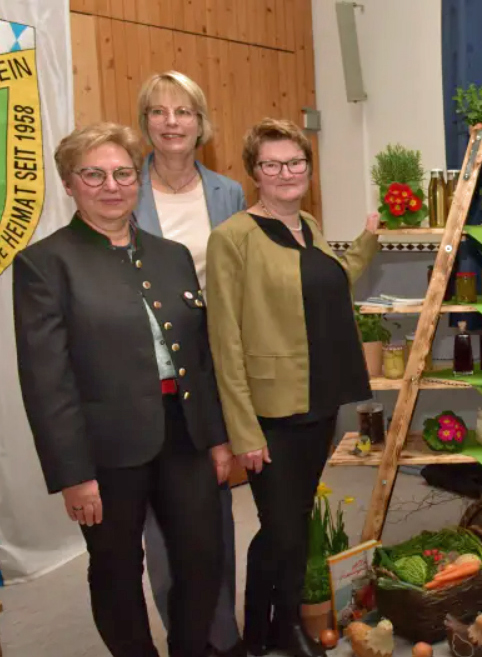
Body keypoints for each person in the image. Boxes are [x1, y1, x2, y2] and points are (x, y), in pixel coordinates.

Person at [13, 123, 228, 657]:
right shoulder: (45, 264)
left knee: (202, 556)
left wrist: (218, 438)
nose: (111, 185)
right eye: (94, 174)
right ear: (70, 183)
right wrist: (73, 473)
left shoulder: (171, 254)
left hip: (184, 434)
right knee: (116, 569)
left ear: (139, 178)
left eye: (123, 173)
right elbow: (46, 380)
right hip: (105, 449)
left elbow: (199, 358)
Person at [206, 118, 380, 657]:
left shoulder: (307, 223)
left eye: (296, 163)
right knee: (283, 530)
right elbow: (224, 340)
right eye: (273, 164)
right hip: (270, 412)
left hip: (318, 399)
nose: (287, 173)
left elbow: (326, 284)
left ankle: (259, 632)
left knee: (291, 522)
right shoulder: (232, 237)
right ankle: (283, 633)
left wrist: (370, 240)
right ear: (254, 171)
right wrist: (242, 430)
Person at [135, 70, 246, 657]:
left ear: (201, 123)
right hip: (146, 371)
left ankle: (222, 633)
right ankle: (184, 635)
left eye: (183, 111)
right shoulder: (125, 190)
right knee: (160, 516)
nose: (172, 122)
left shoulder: (227, 193)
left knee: (215, 503)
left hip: (210, 368)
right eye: (159, 111)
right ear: (146, 122)